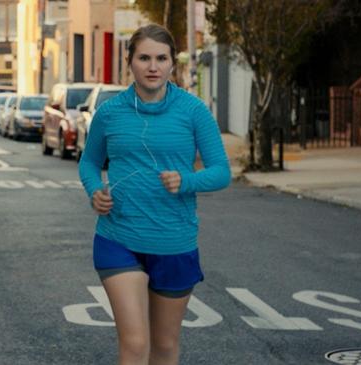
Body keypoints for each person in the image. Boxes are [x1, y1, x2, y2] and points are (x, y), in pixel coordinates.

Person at [78, 23, 231, 365]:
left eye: (161, 58)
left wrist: (186, 181)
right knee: (134, 344)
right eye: (144, 57)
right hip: (118, 238)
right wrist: (95, 191)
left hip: (174, 242)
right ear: (129, 62)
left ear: (172, 64)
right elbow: (89, 163)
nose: (152, 66)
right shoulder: (109, 113)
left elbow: (222, 172)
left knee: (164, 346)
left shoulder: (193, 112)